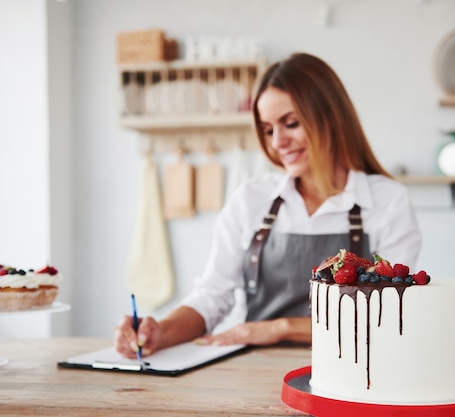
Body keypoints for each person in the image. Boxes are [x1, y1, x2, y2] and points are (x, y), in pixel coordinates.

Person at [114, 52, 422, 358]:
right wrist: (161, 331)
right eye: (268, 129)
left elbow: (385, 309)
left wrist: (280, 328)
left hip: (353, 365)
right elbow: (212, 295)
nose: (277, 142)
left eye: (290, 123)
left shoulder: (387, 201)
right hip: (253, 368)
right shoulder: (251, 198)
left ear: (331, 117)